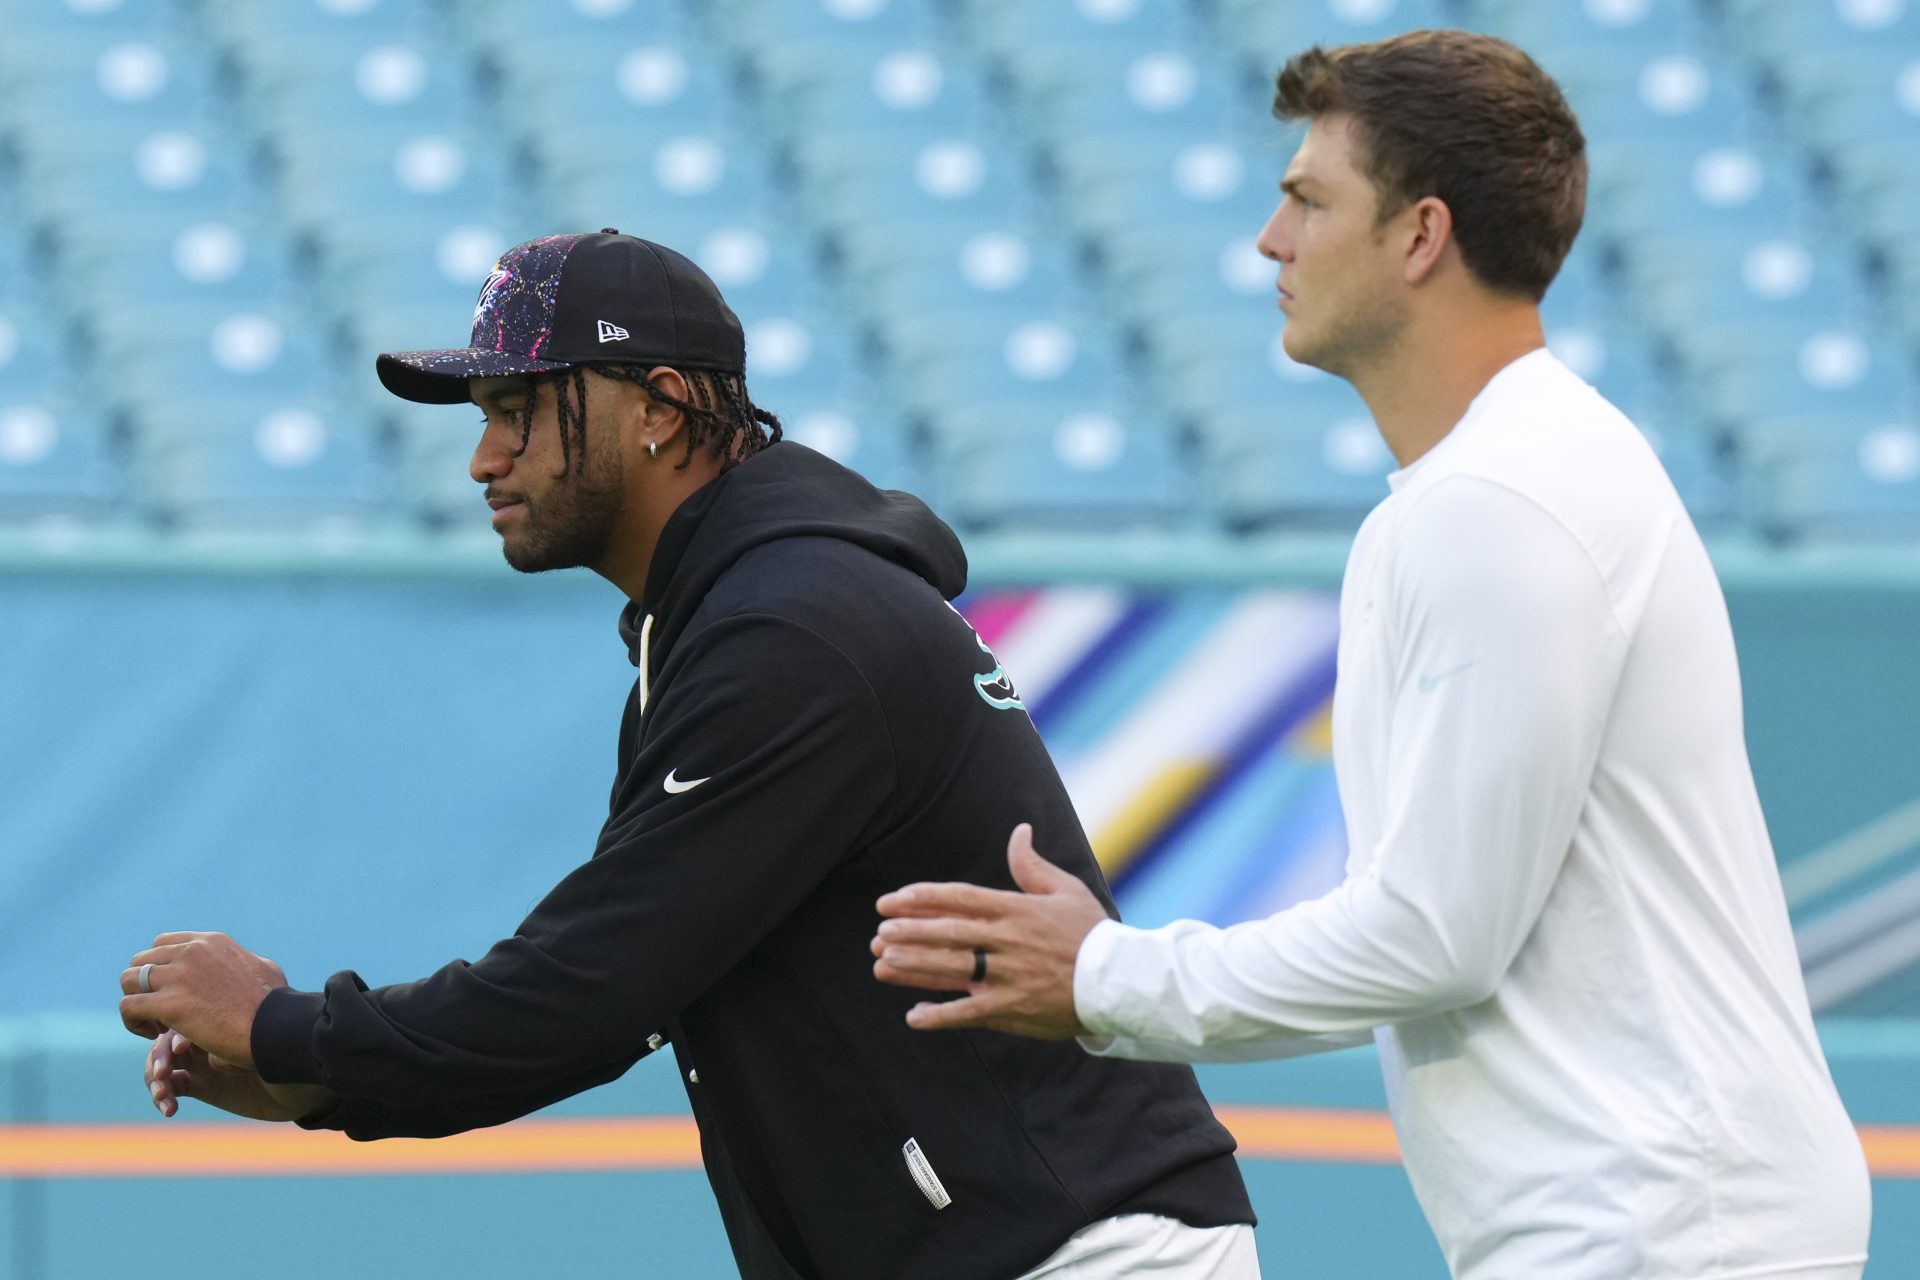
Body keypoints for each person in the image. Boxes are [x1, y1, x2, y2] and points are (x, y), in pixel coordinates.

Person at [871, 29, 1873, 1280]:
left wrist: (1104, 976)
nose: (1269, 241)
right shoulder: (1511, 479)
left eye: (1307, 199)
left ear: (1420, 235)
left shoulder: (1499, 504)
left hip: (1663, 1230)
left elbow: (1436, 932)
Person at [117, 230, 1259, 1279]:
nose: (482, 456)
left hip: (1074, 1250)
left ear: (657, 407)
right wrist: (314, 1081)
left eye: (517, 405)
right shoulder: (740, 621)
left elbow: (587, 987)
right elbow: (616, 996)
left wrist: (282, 1025)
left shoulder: (791, 630)